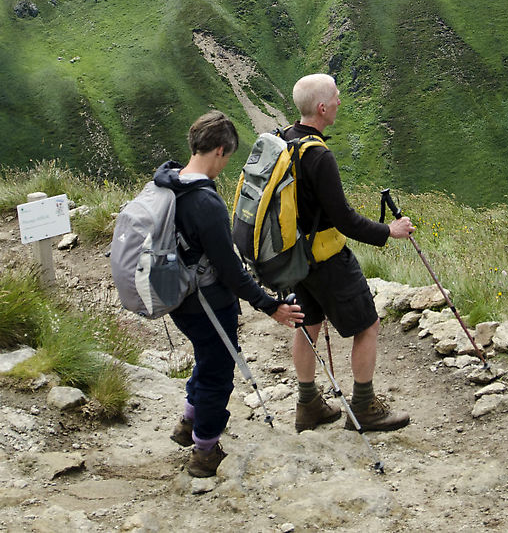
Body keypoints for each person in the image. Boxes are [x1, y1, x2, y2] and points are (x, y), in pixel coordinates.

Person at [154, 109, 304, 478]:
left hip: (175, 294)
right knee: (219, 371)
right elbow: (230, 270)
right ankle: (205, 452)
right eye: (227, 158)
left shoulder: (168, 182)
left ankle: (188, 424)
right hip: (205, 301)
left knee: (206, 358)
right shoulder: (205, 202)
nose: (224, 166)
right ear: (220, 150)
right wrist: (270, 306)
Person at [282, 73, 415, 434]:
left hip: (295, 258)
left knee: (308, 325)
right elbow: (344, 219)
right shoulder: (320, 156)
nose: (340, 102)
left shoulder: (283, 140)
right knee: (367, 324)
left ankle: (308, 405)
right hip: (327, 257)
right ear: (322, 107)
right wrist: (390, 230)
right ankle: (364, 407)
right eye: (336, 97)